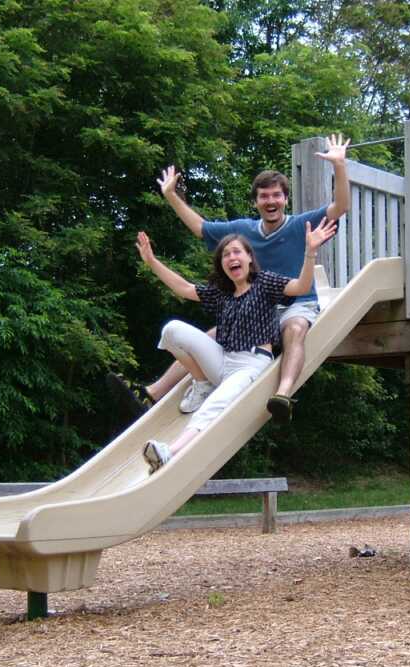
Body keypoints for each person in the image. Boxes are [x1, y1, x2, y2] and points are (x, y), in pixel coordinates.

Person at [110, 134, 350, 424]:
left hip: (295, 301)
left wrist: (339, 166)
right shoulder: (243, 231)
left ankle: (283, 395)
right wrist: (172, 197)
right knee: (210, 336)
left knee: (295, 327)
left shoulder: (301, 224)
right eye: (264, 196)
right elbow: (200, 228)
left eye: (276, 195)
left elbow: (339, 208)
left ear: (285, 199)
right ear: (256, 201)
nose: (270, 201)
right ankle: (152, 394)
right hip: (259, 303)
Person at [137, 218, 337, 473]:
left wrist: (309, 253)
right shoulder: (221, 293)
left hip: (251, 364)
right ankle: (202, 382)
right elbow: (184, 288)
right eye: (225, 255)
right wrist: (153, 262)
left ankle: (170, 452)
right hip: (223, 360)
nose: (231, 257)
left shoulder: (264, 283)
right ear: (222, 265)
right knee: (173, 330)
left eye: (236, 252)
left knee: (214, 406)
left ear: (249, 258)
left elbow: (299, 286)